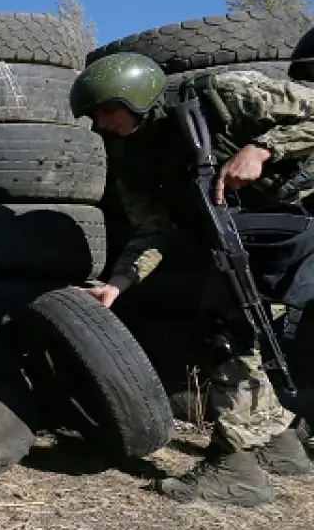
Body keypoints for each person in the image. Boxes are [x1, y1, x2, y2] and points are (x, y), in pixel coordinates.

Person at [70, 51, 314, 507]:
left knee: (234, 331)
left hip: (299, 220)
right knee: (236, 325)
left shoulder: (226, 95)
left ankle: (235, 469)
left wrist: (263, 149)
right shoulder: (137, 156)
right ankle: (276, 445)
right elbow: (153, 230)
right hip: (253, 237)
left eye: (107, 111)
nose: (100, 124)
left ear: (137, 97)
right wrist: (118, 284)